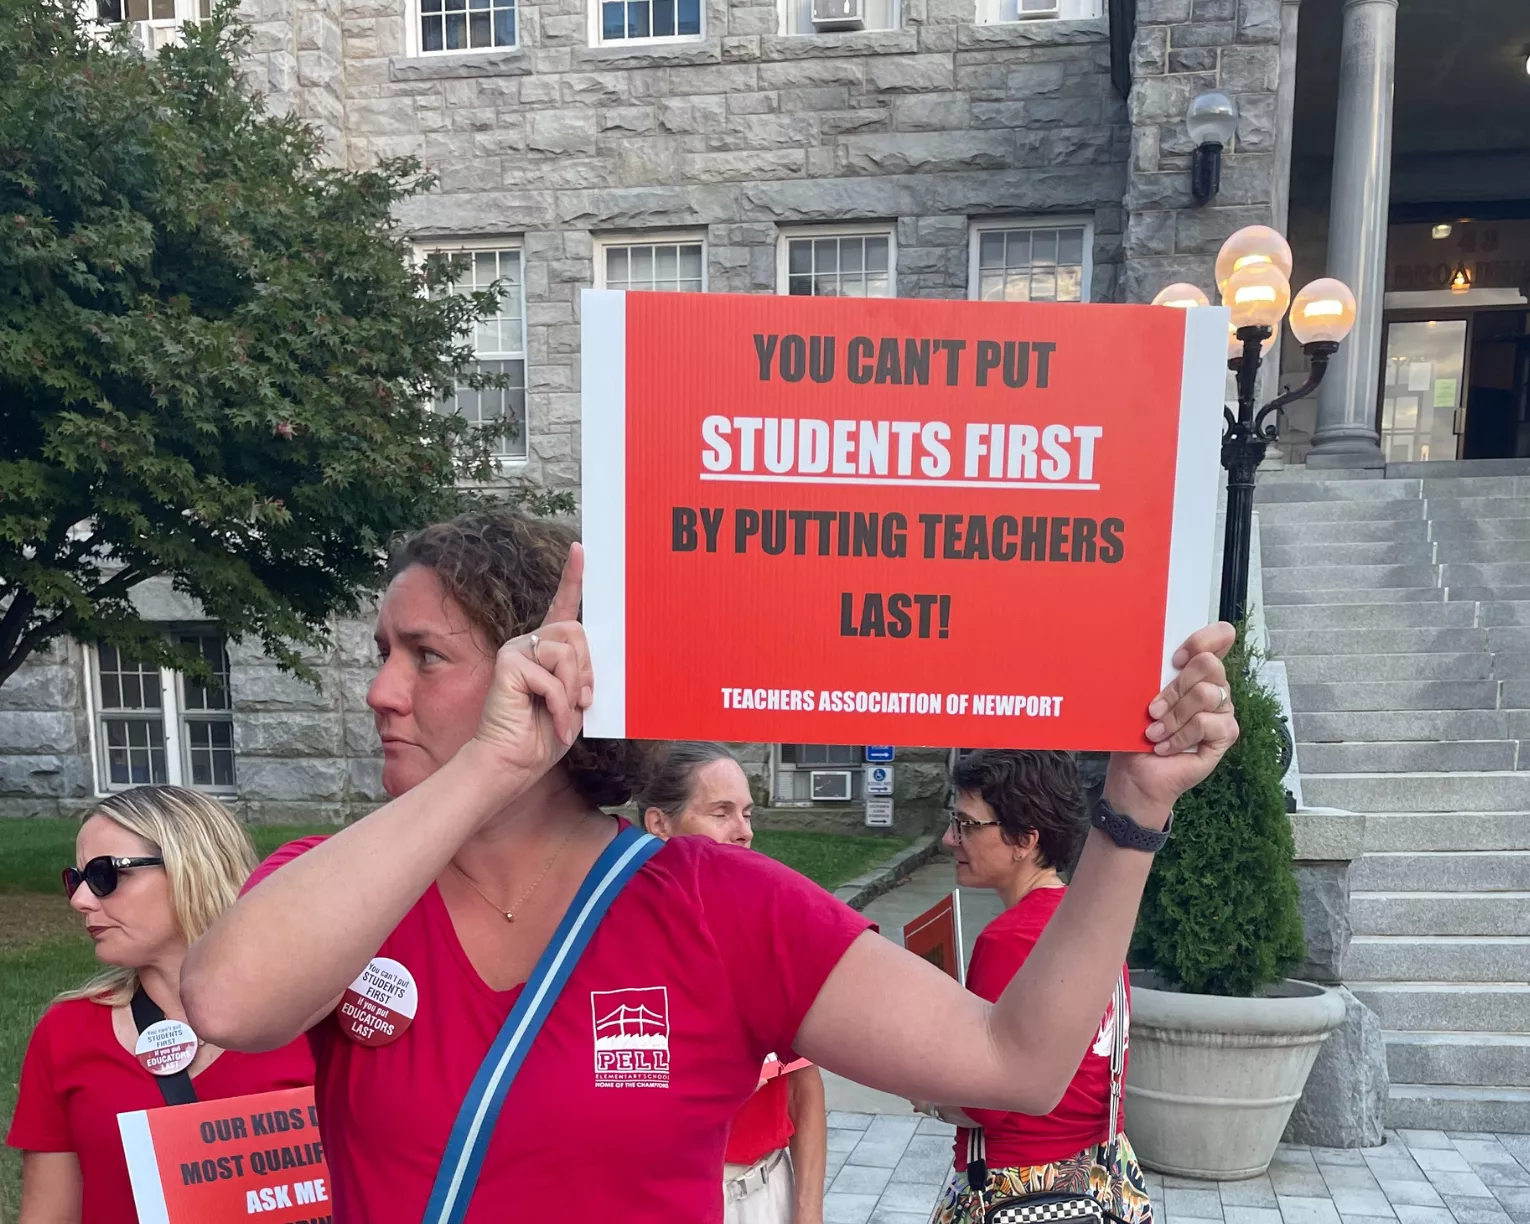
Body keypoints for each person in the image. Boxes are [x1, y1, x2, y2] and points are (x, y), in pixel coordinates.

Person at [180, 507, 1238, 1224]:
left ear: (558, 673)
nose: (381, 692)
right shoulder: (348, 887)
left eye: (426, 655)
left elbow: (1016, 1062)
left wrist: (1131, 813)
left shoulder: (710, 904)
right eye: (382, 653)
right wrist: (490, 767)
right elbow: (226, 1000)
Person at [7, 786, 315, 1224]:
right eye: (76, 880)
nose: (80, 900)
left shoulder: (314, 1019)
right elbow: (48, 1215)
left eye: (104, 875)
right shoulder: (67, 1033)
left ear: (193, 869)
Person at [914, 750, 1153, 1224]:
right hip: (1103, 1179)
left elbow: (989, 1101)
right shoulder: (1088, 926)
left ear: (1024, 839)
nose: (949, 839)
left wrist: (928, 1092)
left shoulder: (1008, 940)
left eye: (966, 824)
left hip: (1019, 1187)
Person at [638, 740, 826, 1224]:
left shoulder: (773, 934)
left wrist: (807, 1213)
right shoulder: (616, 940)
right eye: (722, 813)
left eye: (747, 813)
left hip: (763, 1193)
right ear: (659, 825)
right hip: (662, 1197)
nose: (744, 832)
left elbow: (805, 1090)